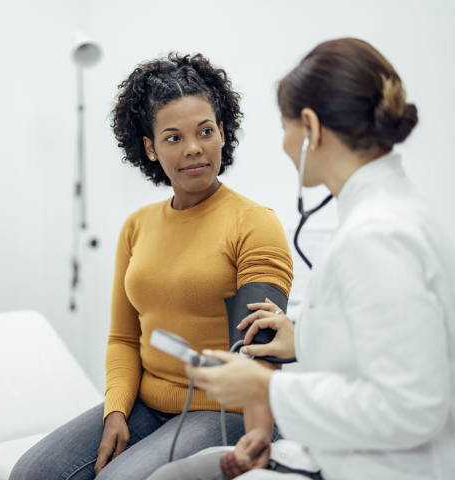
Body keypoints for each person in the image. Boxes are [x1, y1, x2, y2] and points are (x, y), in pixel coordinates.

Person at [148, 38, 455, 480]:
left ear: (310, 126)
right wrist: (303, 339)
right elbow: (383, 347)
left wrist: (268, 388)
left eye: (285, 126)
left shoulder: (377, 236)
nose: (286, 144)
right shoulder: (390, 214)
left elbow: (411, 408)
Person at [9, 53, 294, 480]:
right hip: (147, 404)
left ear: (222, 133)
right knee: (34, 472)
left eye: (205, 131)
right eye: (173, 137)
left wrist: (258, 437)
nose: (193, 148)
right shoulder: (137, 226)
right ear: (150, 147)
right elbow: (124, 337)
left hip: (225, 410)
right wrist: (116, 410)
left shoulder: (254, 223)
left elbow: (257, 353)